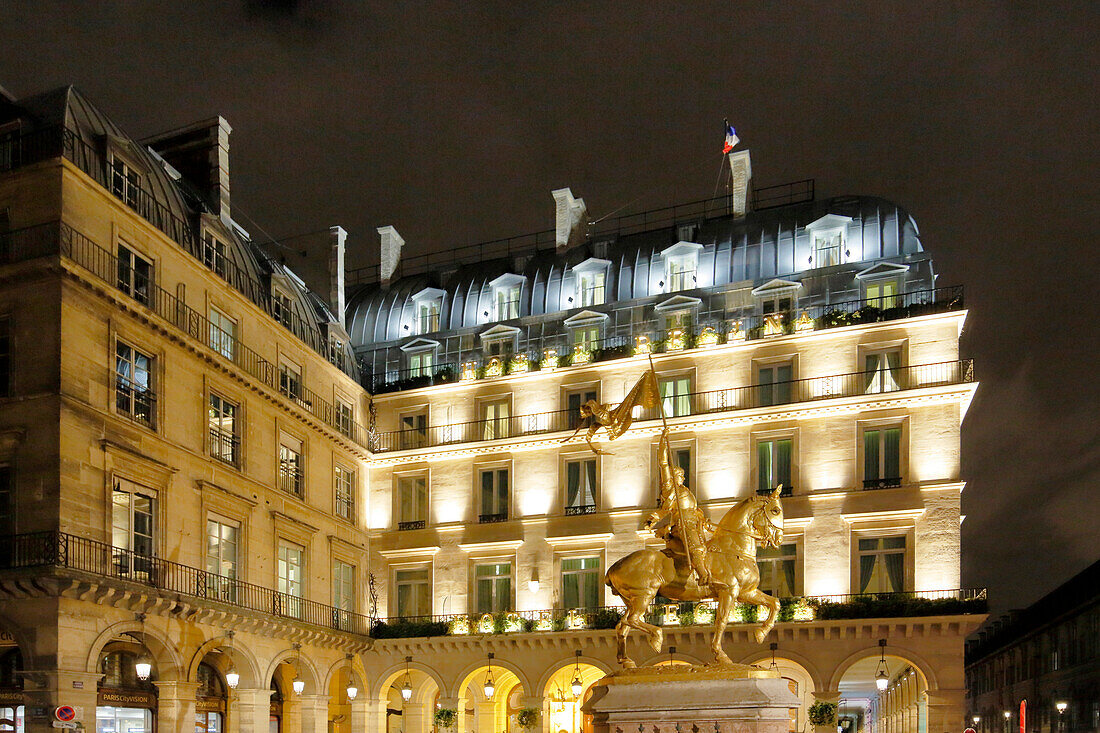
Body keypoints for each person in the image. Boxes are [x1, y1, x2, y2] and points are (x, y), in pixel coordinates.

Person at [645, 429, 718, 588]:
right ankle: (702, 575)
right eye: (681, 475)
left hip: (695, 523)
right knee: (696, 547)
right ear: (673, 477)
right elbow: (663, 464)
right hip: (682, 525)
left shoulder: (686, 492)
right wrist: (663, 442)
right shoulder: (670, 489)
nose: (683, 478)